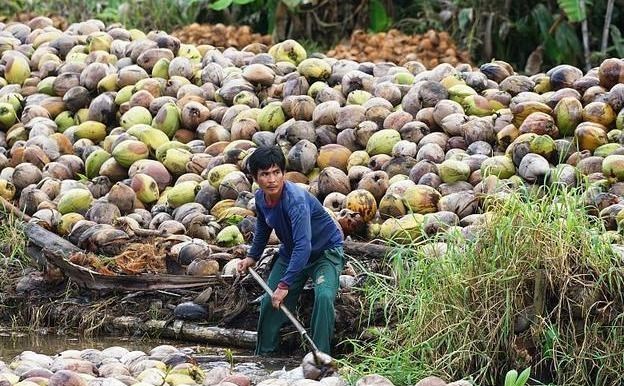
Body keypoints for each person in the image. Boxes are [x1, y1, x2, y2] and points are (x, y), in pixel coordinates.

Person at [237, 145, 345, 356]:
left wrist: (284, 285)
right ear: (255, 178)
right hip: (291, 252)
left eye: (277, 172)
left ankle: (321, 357)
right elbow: (263, 228)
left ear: (284, 173)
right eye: (265, 174)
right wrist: (252, 256)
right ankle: (264, 357)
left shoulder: (295, 200)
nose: (272, 180)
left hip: (324, 253)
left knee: (323, 297)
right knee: (270, 302)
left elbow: (304, 246)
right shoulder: (261, 198)